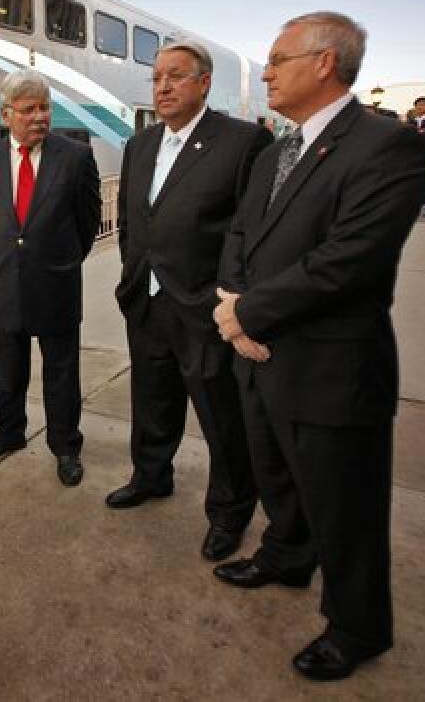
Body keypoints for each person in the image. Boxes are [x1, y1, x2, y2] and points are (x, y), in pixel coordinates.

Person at [212, 11, 425, 681]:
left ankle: (358, 625)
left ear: (325, 63)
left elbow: (349, 261)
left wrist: (246, 313)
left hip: (332, 364)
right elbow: (244, 232)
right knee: (277, 472)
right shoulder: (278, 149)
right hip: (261, 351)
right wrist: (231, 300)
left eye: (278, 59)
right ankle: (286, 554)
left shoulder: (384, 145)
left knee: (347, 504)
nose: (266, 71)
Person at [110, 40, 273, 564]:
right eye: (157, 77)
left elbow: (248, 231)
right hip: (148, 302)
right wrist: (133, 275)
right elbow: (132, 223)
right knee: (151, 399)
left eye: (176, 76)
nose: (162, 86)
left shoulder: (241, 141)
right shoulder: (141, 145)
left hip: (204, 308)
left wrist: (226, 297)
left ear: (204, 83)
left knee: (220, 415)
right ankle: (151, 475)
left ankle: (229, 512)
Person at [0, 69, 101, 485]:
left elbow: (87, 225)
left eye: (45, 108)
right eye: (28, 110)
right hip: (6, 287)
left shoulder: (75, 157)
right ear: (6, 114)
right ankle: (9, 434)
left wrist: (57, 260)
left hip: (56, 286)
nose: (39, 117)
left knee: (61, 374)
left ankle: (65, 447)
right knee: (7, 371)